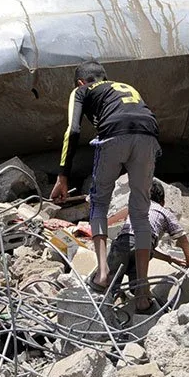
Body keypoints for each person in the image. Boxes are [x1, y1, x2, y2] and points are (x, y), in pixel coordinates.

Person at [50, 61, 159, 312]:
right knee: (140, 213)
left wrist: (63, 176)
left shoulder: (82, 91)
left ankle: (102, 273)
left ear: (80, 82)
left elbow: (73, 129)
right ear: (104, 77)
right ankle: (142, 292)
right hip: (148, 137)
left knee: (99, 203)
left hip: (113, 135)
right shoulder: (125, 87)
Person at [105, 179, 189, 298]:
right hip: (145, 246)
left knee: (110, 280)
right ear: (163, 202)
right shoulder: (165, 213)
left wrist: (170, 258)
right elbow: (183, 239)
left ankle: (108, 299)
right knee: (138, 285)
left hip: (123, 242)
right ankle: (142, 301)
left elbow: (109, 221)